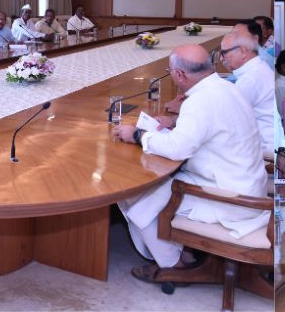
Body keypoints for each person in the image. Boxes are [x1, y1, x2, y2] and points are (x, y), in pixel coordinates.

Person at [109, 44, 267, 281]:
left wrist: (137, 135)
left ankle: (173, 265)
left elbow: (177, 149)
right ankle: (181, 250)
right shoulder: (226, 87)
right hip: (247, 184)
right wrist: (176, 120)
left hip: (229, 198)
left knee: (134, 196)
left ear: (179, 75)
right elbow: (214, 122)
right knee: (154, 190)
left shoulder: (200, 101)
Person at [222, 25, 283, 165]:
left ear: (243, 51)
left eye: (225, 52)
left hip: (262, 155)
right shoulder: (258, 69)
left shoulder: (251, 79)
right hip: (268, 148)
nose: (222, 58)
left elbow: (223, 119)